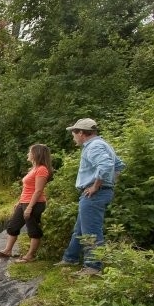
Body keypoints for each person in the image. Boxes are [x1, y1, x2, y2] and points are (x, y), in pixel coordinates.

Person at [57, 118, 123, 275]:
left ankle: (93, 267)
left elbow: (107, 165)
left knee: (90, 231)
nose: (73, 136)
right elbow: (119, 165)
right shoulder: (103, 144)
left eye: (74, 133)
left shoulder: (94, 146)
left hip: (95, 194)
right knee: (80, 229)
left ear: (81, 133)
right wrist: (109, 184)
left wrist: (97, 185)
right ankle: (70, 258)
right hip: (98, 193)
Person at [0, 144, 53, 262]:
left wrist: (29, 207)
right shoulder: (33, 169)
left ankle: (30, 256)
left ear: (36, 154)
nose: (28, 154)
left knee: (33, 230)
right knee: (13, 226)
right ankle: (7, 251)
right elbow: (27, 189)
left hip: (34, 204)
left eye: (30, 152)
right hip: (24, 202)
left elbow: (38, 190)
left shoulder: (42, 169)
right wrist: (19, 202)